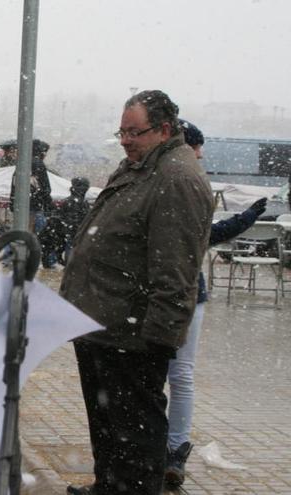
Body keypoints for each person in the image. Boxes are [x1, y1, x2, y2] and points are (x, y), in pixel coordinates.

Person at [61, 90, 213, 495]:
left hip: (133, 334)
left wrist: (158, 341)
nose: (125, 140)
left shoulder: (176, 179)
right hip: (104, 323)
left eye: (134, 132)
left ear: (164, 130)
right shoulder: (142, 165)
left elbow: (176, 269)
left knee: (136, 432)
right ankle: (108, 486)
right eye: (121, 132)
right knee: (109, 423)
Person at [163, 119, 267, 488]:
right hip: (172, 292)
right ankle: (166, 448)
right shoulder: (175, 182)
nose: (199, 159)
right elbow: (204, 236)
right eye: (197, 152)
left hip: (188, 294)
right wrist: (246, 219)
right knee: (174, 375)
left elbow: (201, 237)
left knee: (178, 374)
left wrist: (247, 218)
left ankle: (173, 449)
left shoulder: (185, 182)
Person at [38, 176, 90, 267]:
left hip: (67, 230)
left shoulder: (67, 201)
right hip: (74, 230)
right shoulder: (83, 202)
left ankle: (67, 266)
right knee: (71, 247)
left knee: (68, 246)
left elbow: (61, 215)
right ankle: (70, 266)